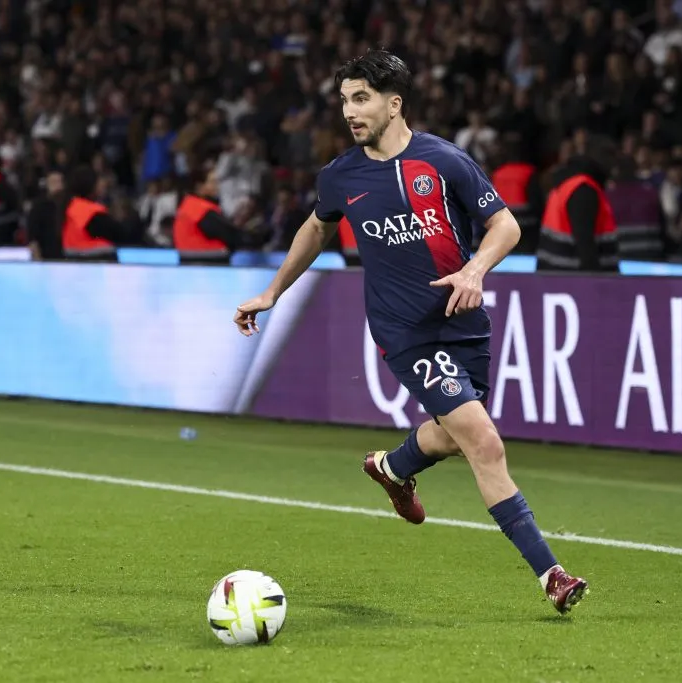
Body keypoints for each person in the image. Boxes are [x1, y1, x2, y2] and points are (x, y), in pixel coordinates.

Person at [233, 50, 588, 615]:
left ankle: (393, 467)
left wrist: (475, 270)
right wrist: (273, 292)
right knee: (484, 441)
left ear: (393, 103)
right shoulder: (340, 175)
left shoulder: (444, 162)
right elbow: (316, 228)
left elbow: (506, 225)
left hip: (465, 326)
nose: (350, 112)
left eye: (362, 98)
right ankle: (552, 574)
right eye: (345, 100)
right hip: (406, 333)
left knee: (452, 435)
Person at [536, 154, 619, 272]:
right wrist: (597, 282)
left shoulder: (563, 187)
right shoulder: (583, 190)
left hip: (554, 273)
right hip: (575, 277)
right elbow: (585, 241)